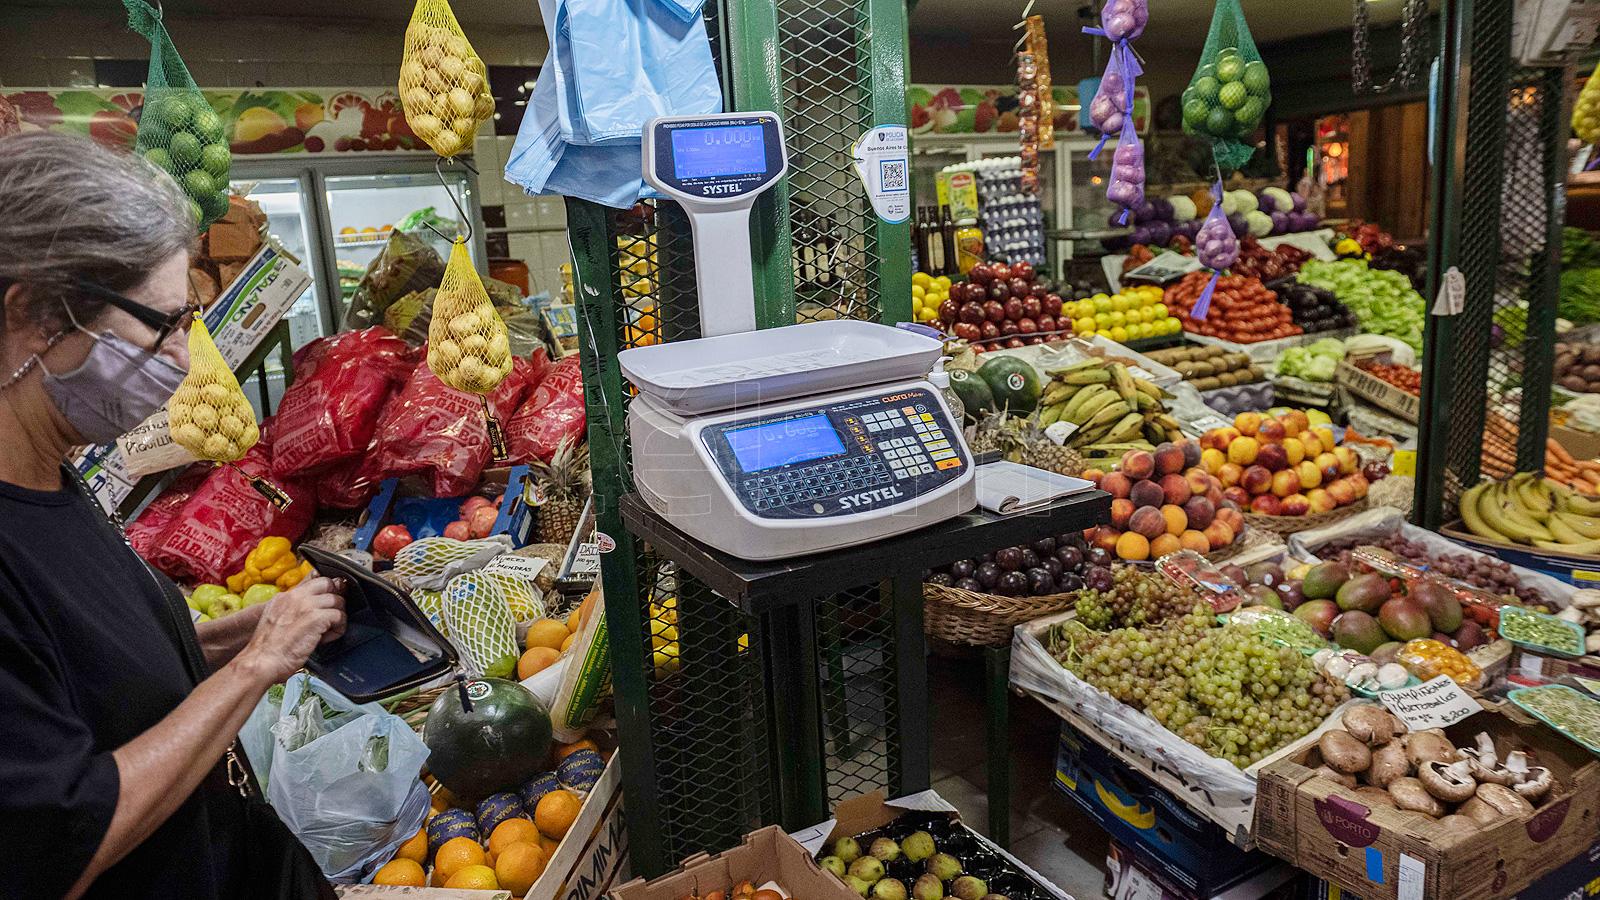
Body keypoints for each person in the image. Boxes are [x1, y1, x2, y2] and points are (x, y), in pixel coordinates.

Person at [0, 132, 347, 898]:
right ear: (31, 314)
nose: (184, 358)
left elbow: (98, 678)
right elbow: (58, 843)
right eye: (160, 324)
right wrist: (256, 668)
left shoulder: (56, 479)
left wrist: (230, 637)